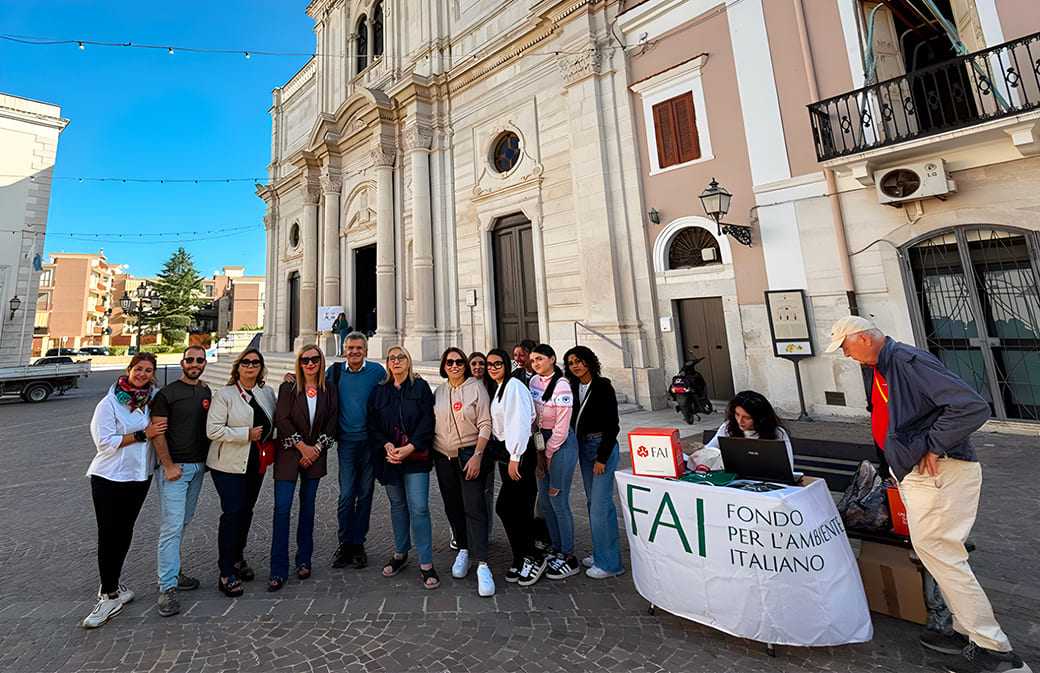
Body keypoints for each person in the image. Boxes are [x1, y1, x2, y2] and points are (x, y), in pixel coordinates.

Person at [827, 316, 1031, 673]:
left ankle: (995, 650)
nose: (845, 354)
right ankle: (968, 632)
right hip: (922, 474)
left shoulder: (906, 361)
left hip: (940, 473)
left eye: (845, 345)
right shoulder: (886, 365)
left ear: (862, 338)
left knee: (942, 553)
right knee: (937, 553)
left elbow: (970, 406)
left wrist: (933, 447)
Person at [82, 353, 166, 629]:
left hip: (138, 476)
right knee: (108, 533)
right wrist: (144, 434)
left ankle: (114, 584)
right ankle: (107, 594)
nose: (142, 374)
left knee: (125, 531)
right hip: (109, 477)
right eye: (138, 369)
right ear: (129, 370)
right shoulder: (108, 404)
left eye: (148, 370)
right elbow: (104, 443)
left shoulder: (148, 401)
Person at [205, 347, 276, 597]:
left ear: (261, 367)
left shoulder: (266, 392)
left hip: (255, 463)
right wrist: (245, 434)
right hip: (228, 464)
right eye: (246, 362)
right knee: (233, 512)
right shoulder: (224, 395)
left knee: (246, 511)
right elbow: (212, 430)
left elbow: (273, 423)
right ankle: (226, 572)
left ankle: (237, 558)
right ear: (238, 367)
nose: (250, 366)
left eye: (255, 362)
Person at [367, 346, 439, 589]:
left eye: (401, 357)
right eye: (392, 358)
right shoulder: (379, 391)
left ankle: (426, 562)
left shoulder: (420, 388)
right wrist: (386, 445)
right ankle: (400, 552)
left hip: (416, 456)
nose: (396, 361)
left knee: (419, 508)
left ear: (409, 362)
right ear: (387, 363)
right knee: (398, 506)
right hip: (390, 459)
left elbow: (428, 421)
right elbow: (372, 424)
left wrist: (411, 447)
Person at [270, 345, 338, 591]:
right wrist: (302, 447)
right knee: (282, 510)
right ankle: (278, 568)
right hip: (289, 456)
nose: (310, 364)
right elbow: (282, 420)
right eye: (305, 360)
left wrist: (316, 450)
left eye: (315, 359)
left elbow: (332, 422)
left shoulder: (329, 389)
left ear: (321, 362)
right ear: (299, 363)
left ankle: (304, 560)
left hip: (315, 457)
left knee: (307, 510)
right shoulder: (288, 387)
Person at [150, 346, 211, 617]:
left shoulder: (205, 391)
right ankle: (167, 587)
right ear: (182, 362)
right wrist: (168, 465)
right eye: (190, 360)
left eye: (199, 360)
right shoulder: (167, 394)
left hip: (198, 467)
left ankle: (174, 571)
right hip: (176, 469)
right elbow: (157, 432)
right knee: (172, 526)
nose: (195, 364)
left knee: (183, 521)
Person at [433, 348, 495, 597]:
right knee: (452, 506)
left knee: (474, 507)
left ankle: (482, 564)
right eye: (450, 362)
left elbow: (485, 422)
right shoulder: (439, 391)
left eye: (459, 361)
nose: (455, 365)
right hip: (443, 457)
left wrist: (478, 455)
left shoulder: (476, 387)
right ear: (444, 366)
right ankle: (463, 548)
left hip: (470, 455)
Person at [563, 346, 624, 580]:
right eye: (571, 363)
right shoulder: (572, 387)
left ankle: (610, 564)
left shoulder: (602, 386)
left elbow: (613, 424)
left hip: (601, 449)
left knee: (600, 507)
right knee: (592, 503)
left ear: (590, 361)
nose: (575, 366)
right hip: (583, 448)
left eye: (579, 361)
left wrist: (602, 458)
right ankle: (601, 553)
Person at [485, 348, 544, 586]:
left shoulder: (515, 387)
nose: (492, 368)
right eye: (489, 364)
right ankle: (522, 556)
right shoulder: (500, 387)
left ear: (506, 364)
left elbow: (520, 421)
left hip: (519, 454)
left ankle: (533, 557)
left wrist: (516, 455)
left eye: (497, 364)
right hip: (509, 453)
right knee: (515, 508)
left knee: (510, 507)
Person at [328, 331, 386, 570]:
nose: (354, 352)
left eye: (358, 348)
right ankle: (344, 543)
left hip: (369, 443)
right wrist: (292, 379)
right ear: (344, 350)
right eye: (350, 348)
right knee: (345, 495)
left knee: (365, 494)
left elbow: (391, 392)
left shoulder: (376, 372)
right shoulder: (335, 372)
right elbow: (313, 386)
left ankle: (358, 543)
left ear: (366, 350)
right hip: (347, 443)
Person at [528, 344, 581, 580]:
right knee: (546, 501)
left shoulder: (562, 386)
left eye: (540, 359)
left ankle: (567, 555)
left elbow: (561, 427)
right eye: (532, 360)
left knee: (558, 499)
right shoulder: (532, 383)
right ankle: (555, 547)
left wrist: (547, 454)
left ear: (552, 359)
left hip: (560, 445)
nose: (535, 363)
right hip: (541, 442)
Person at [700, 390, 794, 470]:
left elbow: (788, 466)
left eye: (747, 417)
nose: (740, 421)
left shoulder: (777, 433)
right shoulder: (728, 427)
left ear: (760, 418)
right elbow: (709, 450)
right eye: (737, 414)